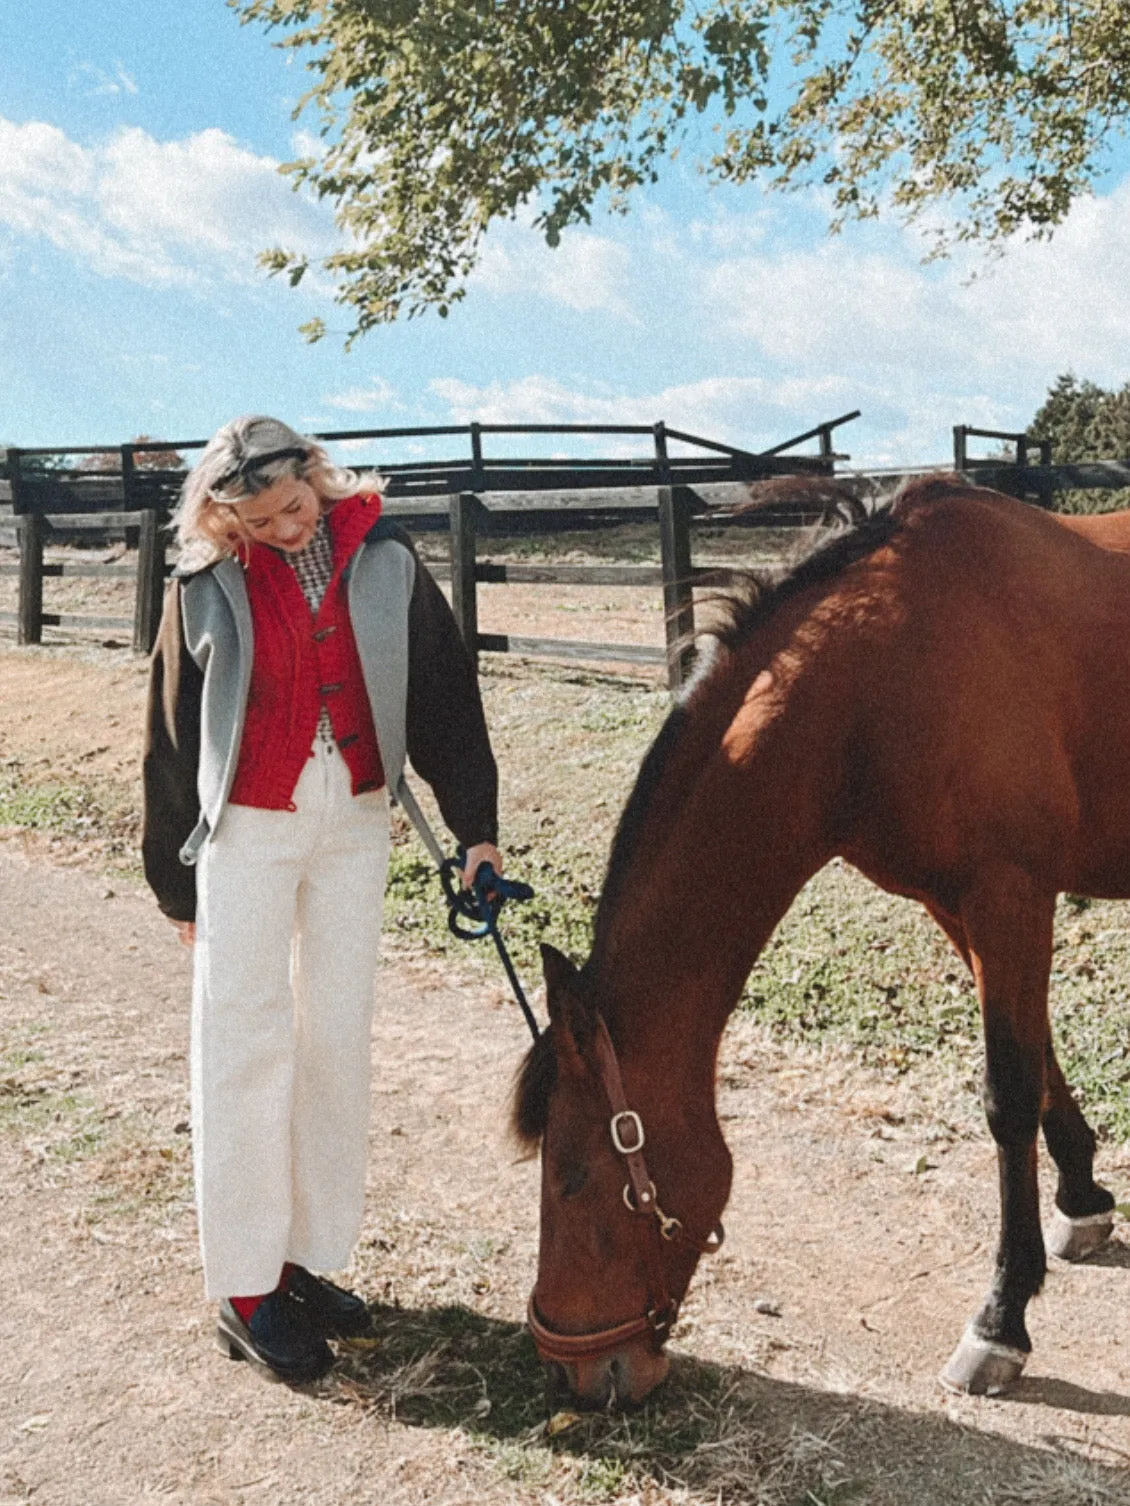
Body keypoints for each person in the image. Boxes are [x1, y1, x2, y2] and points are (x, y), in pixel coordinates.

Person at [142, 415, 502, 1385]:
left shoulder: (386, 558)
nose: (289, 530)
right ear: (228, 523)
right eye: (263, 524)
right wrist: (176, 882)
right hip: (248, 830)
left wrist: (474, 827)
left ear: (317, 476)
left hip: (354, 821)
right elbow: (174, 730)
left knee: (334, 1038)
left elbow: (441, 694)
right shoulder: (202, 582)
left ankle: (298, 1256)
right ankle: (243, 1286)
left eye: (296, 507)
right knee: (245, 1042)